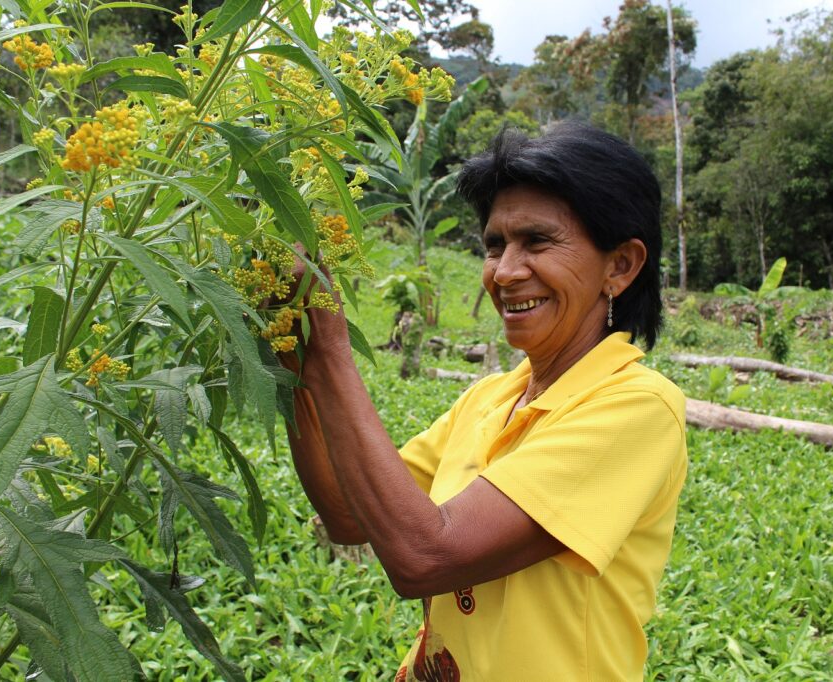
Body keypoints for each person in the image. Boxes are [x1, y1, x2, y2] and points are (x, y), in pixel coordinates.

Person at [281, 120, 687, 681]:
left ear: (619, 266)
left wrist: (328, 348)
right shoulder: (492, 397)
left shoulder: (639, 407)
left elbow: (424, 556)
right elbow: (351, 516)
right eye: (495, 244)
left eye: (538, 241)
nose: (505, 272)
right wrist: (296, 360)